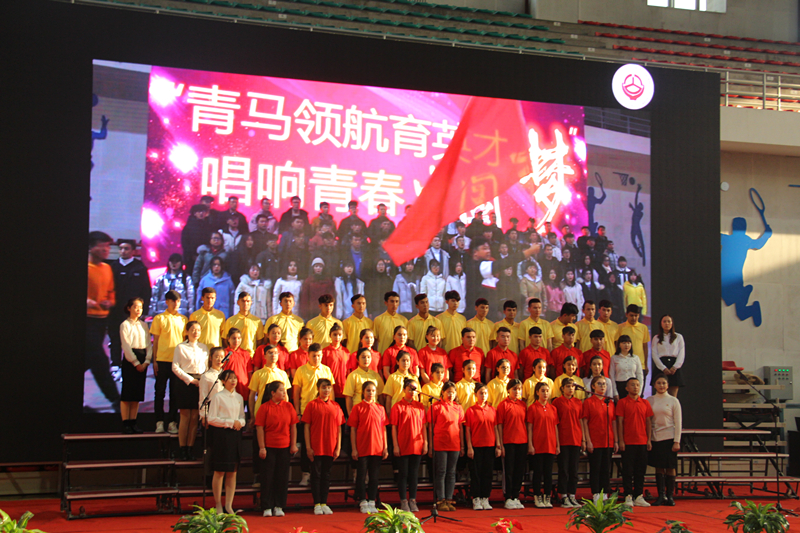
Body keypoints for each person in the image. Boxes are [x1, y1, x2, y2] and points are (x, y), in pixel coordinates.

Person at [86, 231, 121, 410]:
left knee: (88, 359)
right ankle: (116, 399)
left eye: (108, 246)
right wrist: (89, 302)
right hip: (87, 320)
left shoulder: (107, 268)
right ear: (91, 247)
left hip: (101, 321)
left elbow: (111, 292)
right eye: (102, 246)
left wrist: (110, 302)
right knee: (99, 360)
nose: (106, 250)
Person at [292, 344, 335, 487]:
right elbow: (296, 393)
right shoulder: (301, 370)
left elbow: (331, 392)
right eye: (314, 356)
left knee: (323, 443)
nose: (317, 358)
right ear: (308, 356)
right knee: (307, 444)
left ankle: (322, 474)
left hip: (324, 412)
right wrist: (297, 412)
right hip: (306, 411)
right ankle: (306, 474)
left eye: (319, 355)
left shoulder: (326, 370)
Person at [256, 380, 297, 518]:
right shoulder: (264, 408)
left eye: (284, 390)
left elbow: (293, 426)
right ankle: (267, 506)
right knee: (267, 478)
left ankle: (279, 505)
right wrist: (262, 447)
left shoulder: (289, 406)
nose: (284, 392)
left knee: (282, 477)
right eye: (281, 390)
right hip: (269, 447)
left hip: (284, 447)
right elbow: (260, 428)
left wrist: (293, 444)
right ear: (273, 393)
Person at [302, 378, 344, 515]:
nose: (326, 390)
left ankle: (324, 502)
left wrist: (338, 447)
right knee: (316, 475)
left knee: (326, 475)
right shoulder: (312, 405)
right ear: (318, 389)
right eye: (324, 387)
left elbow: (339, 428)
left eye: (328, 387)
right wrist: (308, 447)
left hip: (330, 446)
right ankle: (317, 503)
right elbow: (306, 427)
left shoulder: (336, 406)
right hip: (316, 446)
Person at [108, 240, 151, 370]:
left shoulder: (140, 268)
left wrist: (144, 311)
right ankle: (115, 364)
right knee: (115, 337)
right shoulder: (113, 267)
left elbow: (146, 290)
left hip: (133, 311)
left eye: (126, 248)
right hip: (115, 310)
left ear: (133, 250)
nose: (123, 251)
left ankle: (129, 364)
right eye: (121, 248)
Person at [207, 369, 245, 514]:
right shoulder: (217, 397)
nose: (233, 381)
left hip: (235, 435)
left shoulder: (239, 397)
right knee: (220, 471)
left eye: (235, 378)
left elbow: (242, 416)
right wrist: (230, 422)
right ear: (223, 381)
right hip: (221, 436)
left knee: (232, 471)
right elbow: (211, 419)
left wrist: (240, 423)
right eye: (230, 378)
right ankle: (218, 504)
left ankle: (229, 505)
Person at [151, 290, 188, 434]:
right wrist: (154, 361)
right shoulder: (159, 318)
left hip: (177, 362)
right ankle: (159, 422)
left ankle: (172, 422)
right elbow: (156, 341)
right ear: (167, 302)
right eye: (173, 301)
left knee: (175, 393)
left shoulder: (183, 319)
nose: (176, 304)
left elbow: (185, 341)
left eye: (178, 301)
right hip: (161, 360)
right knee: (159, 392)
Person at [349, 381, 388, 514]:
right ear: (363, 392)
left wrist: (385, 447)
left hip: (377, 447)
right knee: (361, 476)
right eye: (368, 390)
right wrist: (354, 448)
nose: (371, 393)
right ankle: (362, 500)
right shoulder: (357, 408)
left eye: (373, 391)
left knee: (374, 476)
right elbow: (353, 430)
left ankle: (372, 500)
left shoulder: (380, 408)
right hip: (362, 446)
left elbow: (383, 429)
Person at [172, 321, 209, 460]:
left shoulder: (203, 348)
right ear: (187, 331)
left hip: (200, 382)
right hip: (185, 382)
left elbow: (206, 367)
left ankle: (190, 448)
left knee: (195, 417)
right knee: (185, 416)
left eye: (198, 330)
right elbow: (175, 367)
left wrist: (202, 380)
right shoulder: (181, 347)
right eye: (193, 329)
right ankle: (182, 448)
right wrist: (190, 380)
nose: (196, 332)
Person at [391, 378, 427, 513]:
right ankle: (403, 500)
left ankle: (412, 499)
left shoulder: (420, 406)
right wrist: (395, 445)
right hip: (403, 443)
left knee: (414, 474)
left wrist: (425, 442)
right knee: (403, 474)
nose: (412, 392)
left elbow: (423, 426)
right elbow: (394, 427)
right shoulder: (397, 406)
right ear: (404, 389)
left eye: (415, 389)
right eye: (410, 389)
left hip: (417, 444)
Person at [617, 377, 654, 507]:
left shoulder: (645, 403)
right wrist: (621, 440)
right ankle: (628, 495)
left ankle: (638, 495)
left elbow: (648, 422)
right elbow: (620, 422)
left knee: (640, 471)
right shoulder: (622, 402)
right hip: (628, 442)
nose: (635, 387)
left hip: (642, 441)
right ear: (627, 388)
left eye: (637, 385)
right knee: (627, 471)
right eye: (632, 385)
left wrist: (648, 439)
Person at [581, 375, 618, 504]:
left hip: (608, 440)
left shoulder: (609, 402)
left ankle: (605, 493)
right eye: (600, 384)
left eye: (604, 384)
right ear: (593, 386)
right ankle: (596, 493)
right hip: (595, 440)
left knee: (606, 468)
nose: (603, 386)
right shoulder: (589, 402)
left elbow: (613, 422)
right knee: (596, 468)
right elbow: (585, 422)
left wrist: (616, 440)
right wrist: (587, 440)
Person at [428, 381, 464, 512]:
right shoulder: (436, 407)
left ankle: (449, 499)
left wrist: (462, 445)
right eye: (448, 392)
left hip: (454, 444)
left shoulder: (458, 407)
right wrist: (431, 445)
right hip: (440, 443)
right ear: (442, 392)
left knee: (451, 472)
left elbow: (460, 427)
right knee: (441, 472)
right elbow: (431, 427)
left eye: (453, 392)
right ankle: (441, 499)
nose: (451, 394)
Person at [648, 375, 682, 507]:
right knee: (659, 467)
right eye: (659, 383)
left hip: (670, 438)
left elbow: (678, 422)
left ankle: (670, 496)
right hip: (656, 437)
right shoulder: (650, 400)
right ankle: (661, 495)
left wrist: (677, 441)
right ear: (654, 385)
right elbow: (648, 421)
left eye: (664, 383)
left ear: (667, 385)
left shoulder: (673, 401)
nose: (661, 385)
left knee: (670, 467)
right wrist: (649, 438)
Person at [119, 297, 152, 433]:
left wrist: (147, 361)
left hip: (142, 358)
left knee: (137, 394)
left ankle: (133, 422)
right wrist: (136, 362)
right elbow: (126, 346)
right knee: (128, 393)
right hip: (130, 360)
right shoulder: (125, 325)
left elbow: (148, 344)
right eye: (136, 307)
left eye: (140, 307)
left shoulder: (144, 325)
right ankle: (126, 423)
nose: (138, 310)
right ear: (129, 308)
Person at [465, 382, 499, 510]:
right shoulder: (471, 410)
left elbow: (495, 428)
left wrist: (498, 445)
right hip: (476, 445)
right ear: (475, 395)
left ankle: (485, 497)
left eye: (485, 393)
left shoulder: (492, 410)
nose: (483, 395)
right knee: (476, 473)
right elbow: (468, 430)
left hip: (489, 445)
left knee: (487, 473)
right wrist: (469, 447)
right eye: (481, 393)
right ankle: (476, 498)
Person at [526, 381, 559, 508]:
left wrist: (557, 445)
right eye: (543, 391)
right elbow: (530, 427)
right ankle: (537, 496)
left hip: (550, 444)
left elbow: (555, 427)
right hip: (538, 444)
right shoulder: (533, 408)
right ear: (537, 392)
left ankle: (547, 496)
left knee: (548, 473)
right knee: (538, 472)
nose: (545, 393)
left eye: (547, 391)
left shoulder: (553, 409)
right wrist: (530, 444)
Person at [552, 378, 584, 508]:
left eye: (572, 386)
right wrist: (557, 443)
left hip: (575, 438)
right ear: (562, 388)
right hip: (563, 438)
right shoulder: (557, 402)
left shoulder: (578, 402)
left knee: (574, 470)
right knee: (564, 469)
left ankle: (572, 495)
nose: (571, 389)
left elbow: (581, 420)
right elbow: (555, 422)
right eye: (568, 386)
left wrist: (583, 439)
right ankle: (564, 495)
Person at [496, 379, 527, 510]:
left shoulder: (523, 405)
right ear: (508, 390)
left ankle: (516, 496)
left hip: (522, 441)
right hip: (508, 441)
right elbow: (499, 425)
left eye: (519, 389)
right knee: (509, 470)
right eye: (514, 389)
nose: (517, 391)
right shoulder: (503, 405)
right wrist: (500, 444)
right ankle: (508, 496)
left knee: (519, 470)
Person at [151, 253, 195, 317]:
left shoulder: (186, 279)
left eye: (176, 261)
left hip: (180, 312)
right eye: (172, 261)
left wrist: (191, 312)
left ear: (181, 263)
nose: (174, 264)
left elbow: (191, 297)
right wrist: (152, 312)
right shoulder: (161, 279)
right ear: (169, 262)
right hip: (163, 312)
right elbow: (154, 296)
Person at [651, 315, 685, 397]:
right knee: (660, 395)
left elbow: (681, 353)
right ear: (661, 324)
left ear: (672, 323)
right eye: (664, 321)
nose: (667, 323)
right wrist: (663, 368)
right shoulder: (656, 338)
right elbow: (654, 354)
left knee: (673, 396)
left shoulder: (678, 337)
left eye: (669, 321)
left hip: (674, 367)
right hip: (661, 367)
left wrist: (675, 367)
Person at [344, 347, 385, 411]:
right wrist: (350, 413)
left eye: (368, 357)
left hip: (374, 409)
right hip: (359, 410)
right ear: (357, 359)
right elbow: (348, 397)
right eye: (363, 357)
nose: (366, 359)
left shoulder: (376, 375)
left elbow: (380, 395)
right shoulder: (353, 376)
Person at [322, 324, 350, 416]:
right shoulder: (325, 351)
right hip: (331, 390)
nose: (337, 337)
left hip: (344, 390)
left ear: (342, 336)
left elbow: (348, 371)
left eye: (339, 335)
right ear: (330, 335)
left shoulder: (346, 351)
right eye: (334, 334)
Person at [616, 305, 650, 378]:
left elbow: (645, 347)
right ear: (626, 315)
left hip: (640, 365)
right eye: (631, 315)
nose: (634, 318)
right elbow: (616, 346)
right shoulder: (620, 328)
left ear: (639, 315)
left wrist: (646, 365)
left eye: (636, 315)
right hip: (624, 365)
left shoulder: (643, 328)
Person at [221, 328, 254, 403]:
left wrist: (251, 388)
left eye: (239, 338)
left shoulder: (245, 354)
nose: (236, 341)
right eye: (234, 338)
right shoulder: (224, 353)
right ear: (228, 339)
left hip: (243, 387)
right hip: (229, 387)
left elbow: (249, 373)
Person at [610, 335, 644, 401]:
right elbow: (612, 375)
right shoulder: (614, 358)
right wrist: (615, 393)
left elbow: (640, 375)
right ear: (619, 345)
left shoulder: (635, 358)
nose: (627, 345)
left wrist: (639, 392)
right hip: (620, 386)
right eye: (624, 343)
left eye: (628, 343)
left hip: (633, 386)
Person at [199, 347, 226, 425]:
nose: (219, 359)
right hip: (213, 411)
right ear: (211, 358)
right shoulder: (206, 376)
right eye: (216, 357)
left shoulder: (227, 374)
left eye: (222, 357)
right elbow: (203, 397)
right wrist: (204, 416)